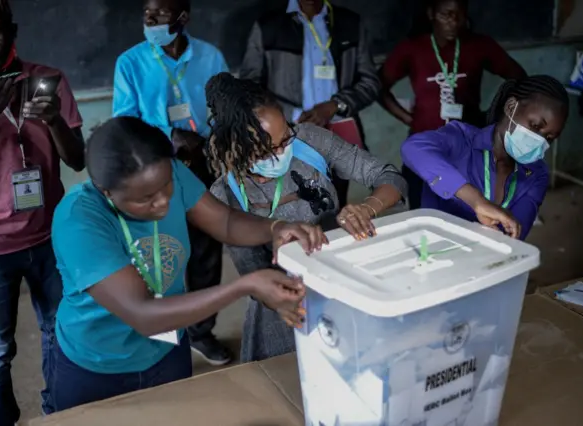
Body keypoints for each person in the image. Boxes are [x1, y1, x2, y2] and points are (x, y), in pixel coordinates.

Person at [49, 116, 325, 411]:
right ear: (107, 192)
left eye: (166, 185)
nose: (163, 202)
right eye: (145, 199)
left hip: (168, 349)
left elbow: (226, 222)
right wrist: (245, 285)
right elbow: (142, 314)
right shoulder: (79, 219)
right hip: (98, 366)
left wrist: (275, 227)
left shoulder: (167, 173)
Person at [206, 73, 406, 362]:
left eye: (285, 137)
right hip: (283, 307)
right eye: (268, 149)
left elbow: (389, 176)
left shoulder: (310, 140)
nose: (283, 151)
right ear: (237, 145)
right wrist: (282, 303)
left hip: (340, 280)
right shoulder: (226, 194)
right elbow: (253, 272)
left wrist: (368, 207)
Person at [0, 1, 84, 424]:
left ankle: (56, 412)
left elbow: (77, 160)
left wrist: (54, 121)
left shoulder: (49, 79)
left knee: (59, 333)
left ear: (13, 30)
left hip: (48, 234)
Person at [112, 0, 231, 365]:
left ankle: (201, 333)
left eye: (159, 14)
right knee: (162, 253)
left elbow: (227, 109)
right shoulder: (130, 62)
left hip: (206, 166)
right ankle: (163, 336)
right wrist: (169, 135)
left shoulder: (210, 57)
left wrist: (210, 142)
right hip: (156, 171)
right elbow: (124, 123)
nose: (149, 20)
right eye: (146, 13)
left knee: (207, 254)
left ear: (183, 18)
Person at [379, 0, 527, 210]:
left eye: (459, 15)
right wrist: (409, 118)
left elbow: (518, 77)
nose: (454, 22)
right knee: (422, 205)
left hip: (468, 142)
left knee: (469, 205)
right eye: (446, 15)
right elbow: (379, 86)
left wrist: (496, 116)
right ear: (431, 14)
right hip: (425, 142)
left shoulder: (479, 45)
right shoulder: (412, 48)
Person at [240, 0, 381, 209]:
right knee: (291, 205)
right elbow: (249, 86)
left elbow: (370, 83)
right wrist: (288, 114)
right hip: (286, 135)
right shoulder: (268, 25)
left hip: (337, 132)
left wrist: (335, 105)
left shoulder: (349, 23)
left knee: (334, 203)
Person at [401, 75, 569, 241]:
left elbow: (514, 236)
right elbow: (412, 148)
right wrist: (476, 200)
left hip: (490, 262)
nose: (539, 140)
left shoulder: (535, 173)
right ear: (511, 107)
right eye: (535, 126)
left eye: (549, 138)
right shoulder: (461, 140)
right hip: (435, 256)